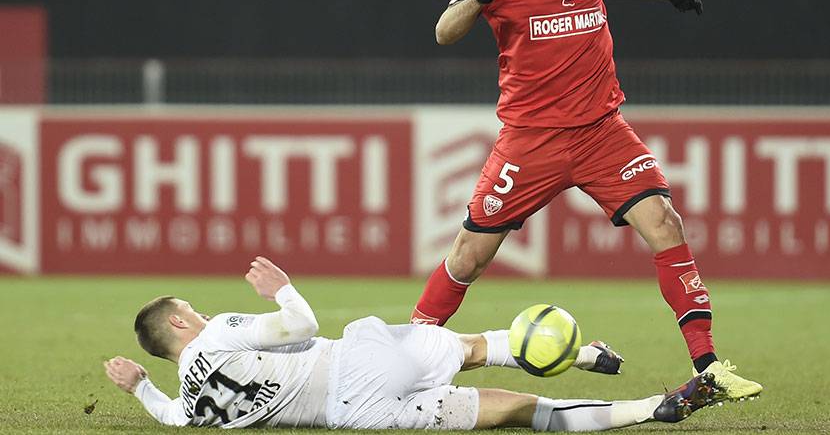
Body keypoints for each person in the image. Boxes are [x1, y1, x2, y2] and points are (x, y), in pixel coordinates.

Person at [409, 0, 762, 402]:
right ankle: (409, 354)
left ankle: (708, 367)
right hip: (531, 142)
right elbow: (444, 31)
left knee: (665, 223)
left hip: (603, 132)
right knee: (469, 258)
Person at [105, 256, 724, 430]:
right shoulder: (217, 334)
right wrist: (284, 290)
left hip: (358, 414)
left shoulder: (190, 402)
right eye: (190, 308)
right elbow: (300, 328)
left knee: (512, 411)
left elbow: (169, 417)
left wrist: (140, 387)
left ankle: (653, 409)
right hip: (358, 362)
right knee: (478, 346)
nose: (201, 310)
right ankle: (580, 353)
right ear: (180, 325)